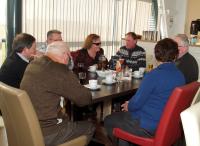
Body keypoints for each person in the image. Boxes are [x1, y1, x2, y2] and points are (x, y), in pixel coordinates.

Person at [104, 38, 185, 146]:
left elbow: (136, 104)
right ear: (175, 55)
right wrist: (131, 104)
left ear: (156, 55)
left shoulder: (153, 75)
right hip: (167, 124)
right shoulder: (180, 76)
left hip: (148, 125)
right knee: (123, 122)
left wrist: (129, 105)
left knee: (109, 120)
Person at [20, 41, 95, 146]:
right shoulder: (59, 70)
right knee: (89, 127)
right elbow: (85, 99)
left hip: (28, 126)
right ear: (65, 56)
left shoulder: (33, 63)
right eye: (69, 55)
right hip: (48, 132)